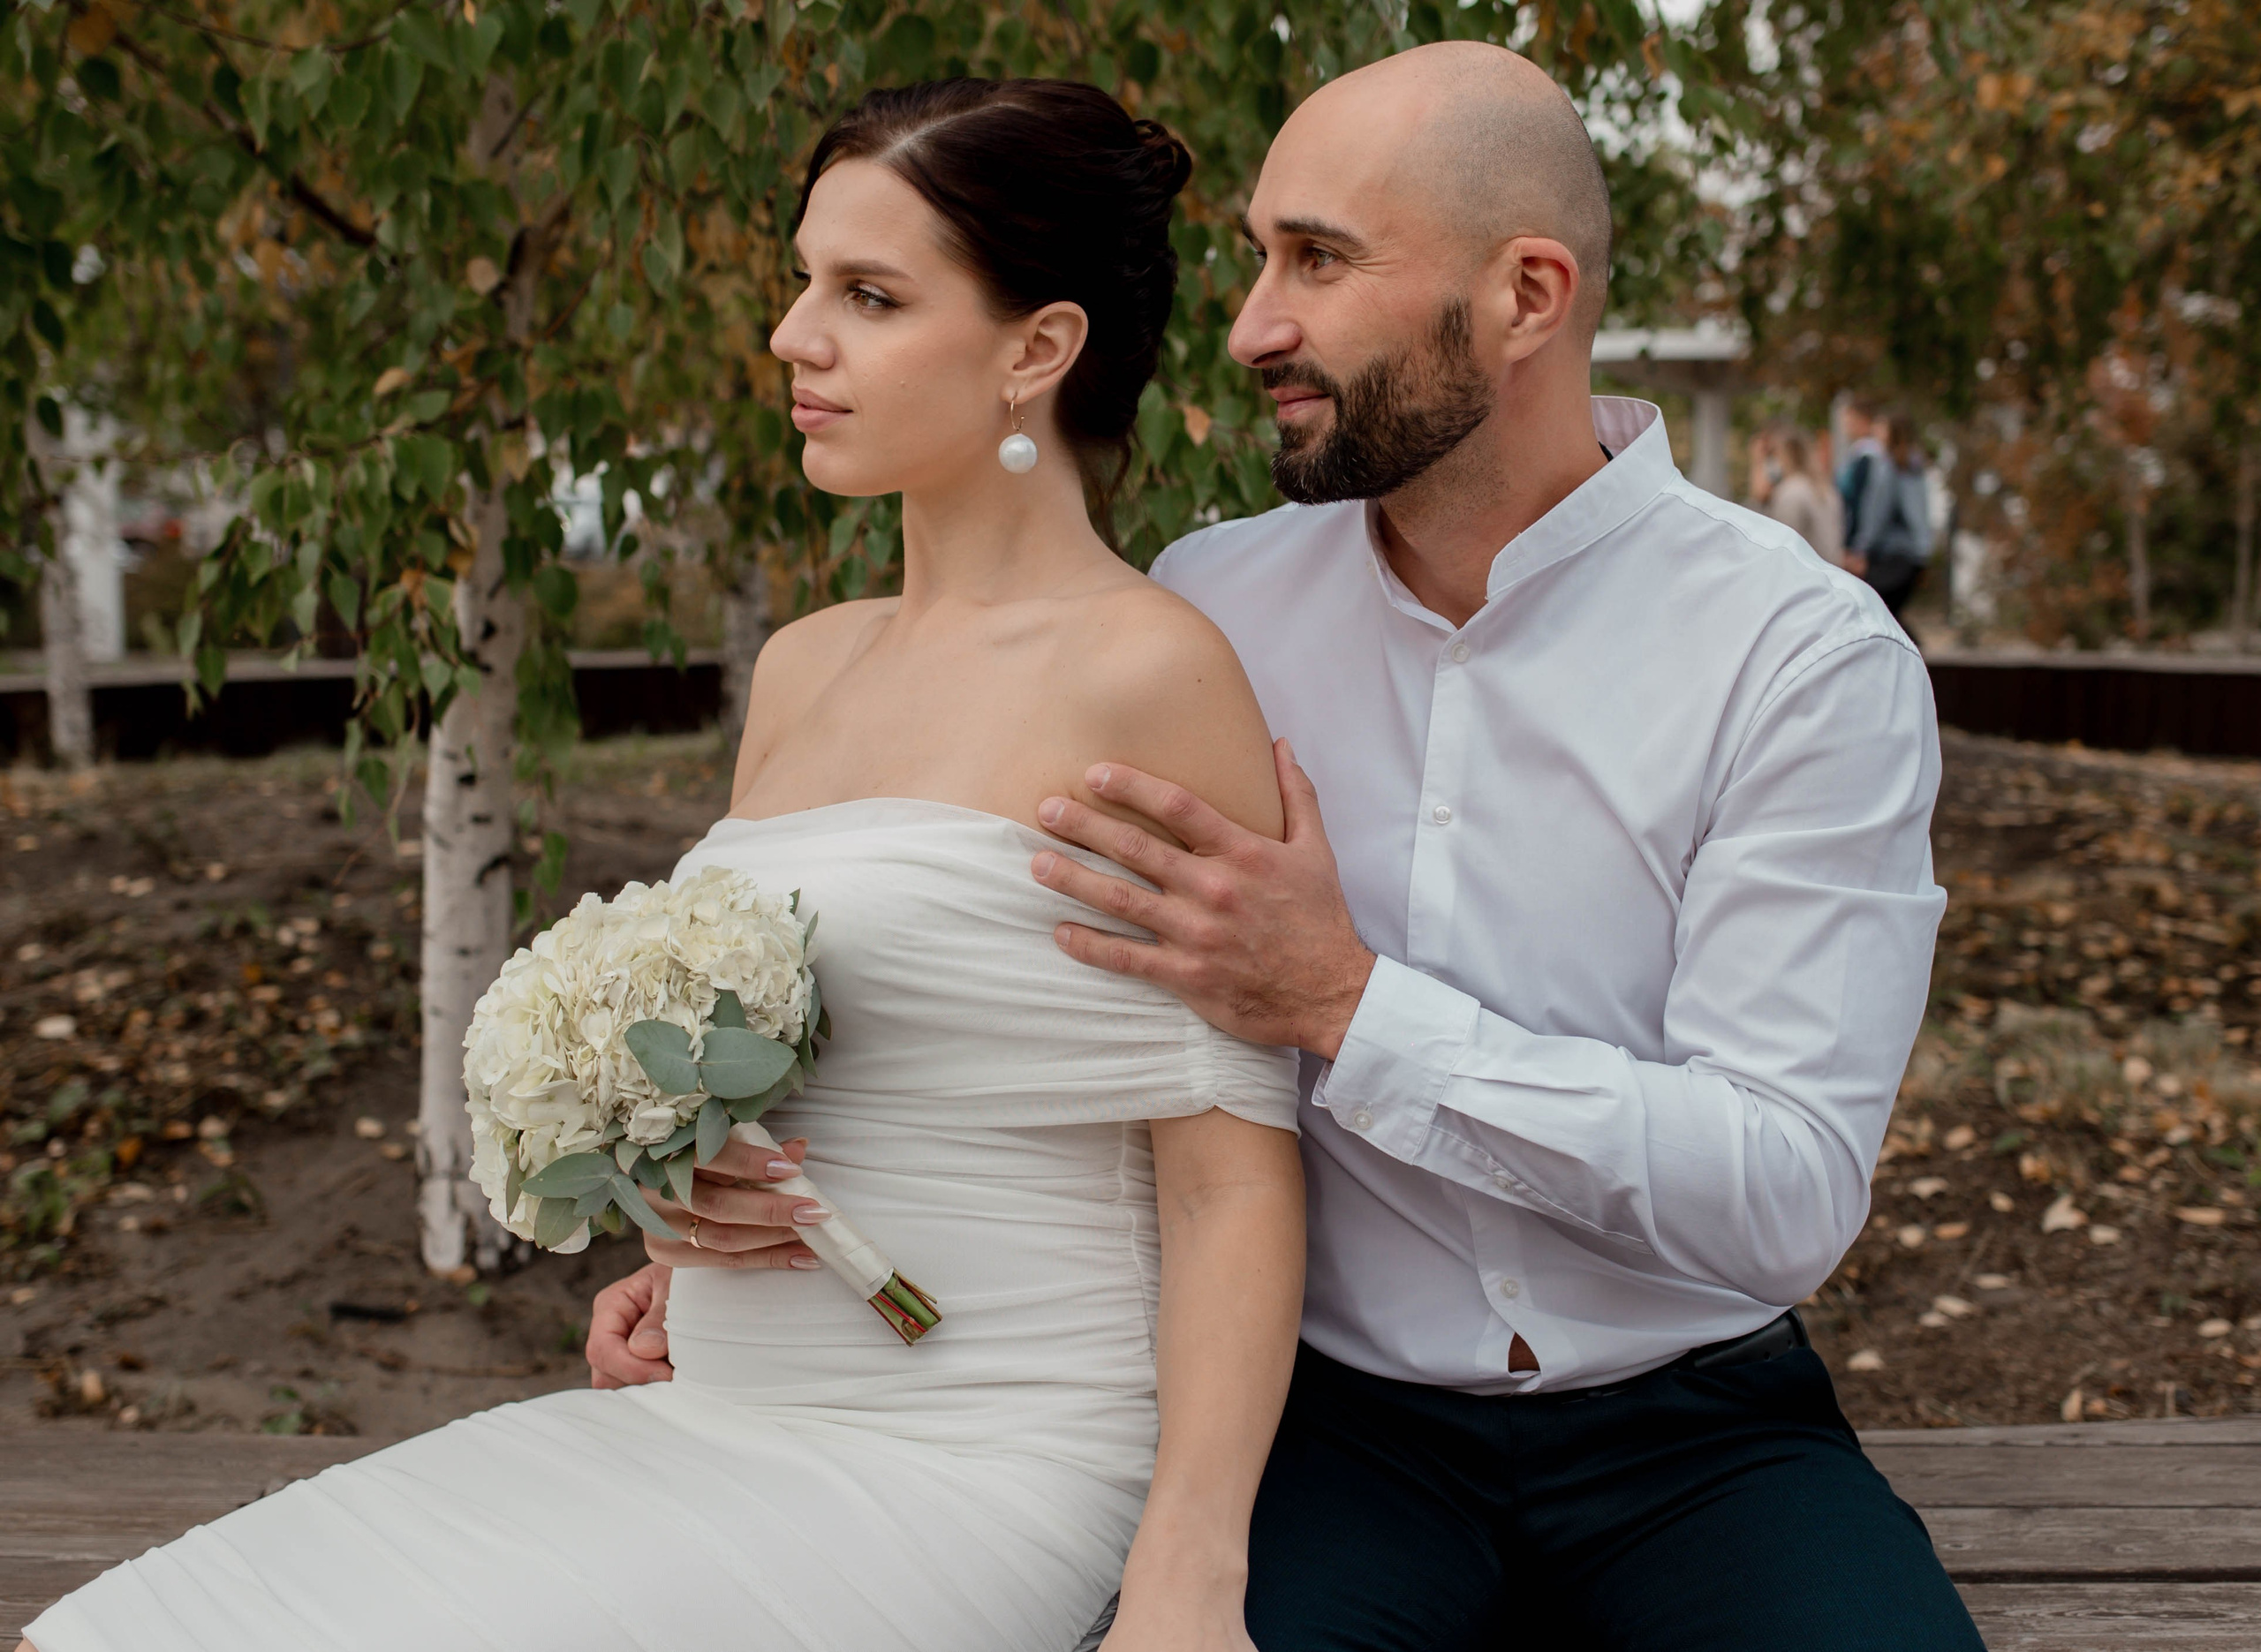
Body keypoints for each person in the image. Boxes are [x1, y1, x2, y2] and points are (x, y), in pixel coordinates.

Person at [594, 41, 1985, 1652]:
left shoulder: (1796, 654)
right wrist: (732, 1240)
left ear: (1527, 295)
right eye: (1259, 255)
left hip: (1699, 1429)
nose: (1252, 322)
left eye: (1316, 261)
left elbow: (1786, 1189)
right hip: (1337, 1437)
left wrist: (1347, 1000)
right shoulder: (1211, 606)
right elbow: (1046, 1027)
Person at [21, 80, 1307, 1652]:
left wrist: (1191, 1577)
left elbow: (1232, 1170)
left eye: (870, 296)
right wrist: (666, 1206)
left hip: (968, 1463)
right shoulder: (805, 668)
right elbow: (836, 1048)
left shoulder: (1146, 669)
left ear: (1037, 349)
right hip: (699, 1416)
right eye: (803, 278)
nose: (792, 336)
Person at [1841, 403, 1932, 617]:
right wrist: (1923, 552)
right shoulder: (1913, 465)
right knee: (1892, 616)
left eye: (1881, 426)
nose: (1876, 431)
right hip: (1910, 555)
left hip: (1890, 555)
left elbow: (1877, 514)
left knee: (1870, 610)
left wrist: (1861, 549)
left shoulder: (1888, 466)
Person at [1748, 423, 1845, 566]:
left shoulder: (1792, 491)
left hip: (1807, 572)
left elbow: (1782, 544)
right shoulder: (1825, 488)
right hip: (1831, 570)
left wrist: (1757, 462)